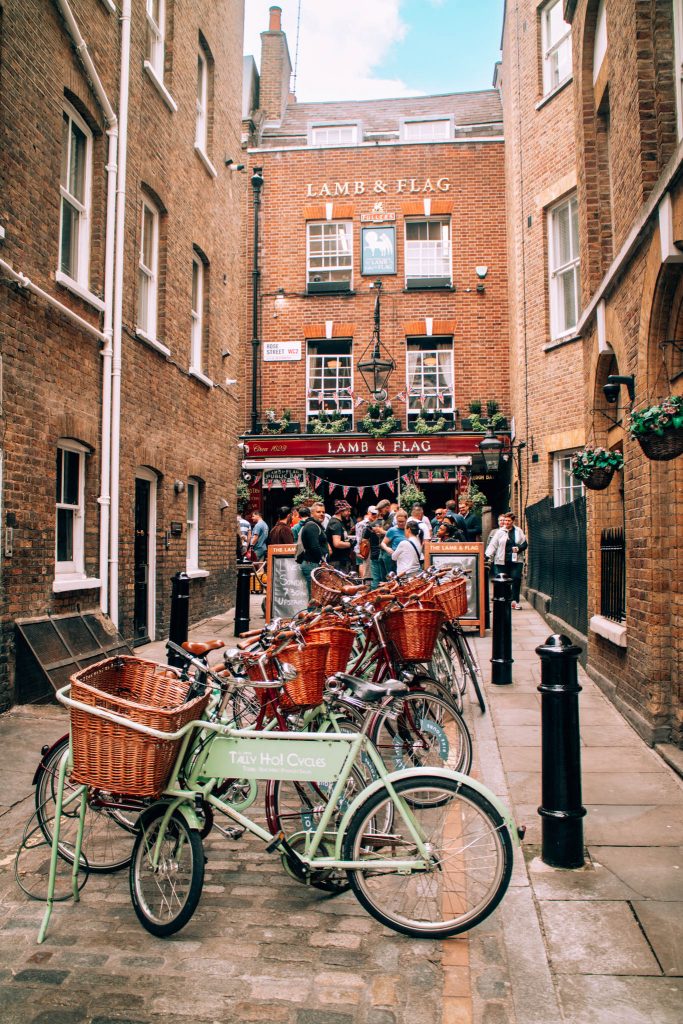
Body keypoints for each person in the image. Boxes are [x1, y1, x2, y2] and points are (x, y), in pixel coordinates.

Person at [485, 512, 528, 609]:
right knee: (503, 581)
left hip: (516, 560)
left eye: (509, 521)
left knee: (516, 579)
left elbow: (525, 544)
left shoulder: (518, 531)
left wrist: (519, 548)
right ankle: (505, 599)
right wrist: (487, 555)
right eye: (505, 520)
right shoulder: (499, 532)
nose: (506, 522)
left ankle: (515, 601)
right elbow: (493, 545)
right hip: (502, 561)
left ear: (513, 521)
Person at [299, 501, 330, 597]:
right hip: (312, 564)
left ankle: (314, 612)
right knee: (315, 596)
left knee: (317, 595)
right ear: (312, 513)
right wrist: (322, 561)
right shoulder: (312, 526)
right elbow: (314, 547)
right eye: (318, 512)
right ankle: (312, 612)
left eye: (323, 512)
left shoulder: (315, 525)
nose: (322, 514)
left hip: (314, 563)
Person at [326, 500, 355, 570]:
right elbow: (337, 543)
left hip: (341, 560)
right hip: (337, 561)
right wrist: (350, 544)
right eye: (347, 511)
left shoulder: (340, 522)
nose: (349, 513)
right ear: (341, 511)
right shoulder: (336, 523)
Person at [360, 505, 384, 589]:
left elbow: (364, 540)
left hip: (374, 553)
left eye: (375, 514)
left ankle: (375, 597)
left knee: (376, 579)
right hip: (385, 554)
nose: (374, 515)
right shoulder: (389, 524)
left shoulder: (370, 525)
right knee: (385, 579)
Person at [380, 508, 408, 573]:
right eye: (399, 521)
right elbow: (383, 543)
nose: (400, 523)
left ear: (406, 520)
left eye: (402, 521)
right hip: (395, 559)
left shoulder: (409, 529)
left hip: (407, 559)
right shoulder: (392, 530)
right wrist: (387, 549)